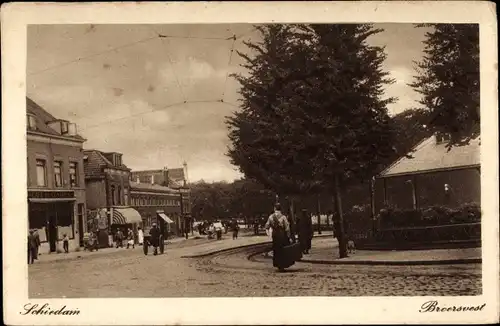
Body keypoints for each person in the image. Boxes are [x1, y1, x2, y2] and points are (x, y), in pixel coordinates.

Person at [265, 204, 294, 272]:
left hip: (275, 235)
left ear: (275, 208)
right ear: (280, 209)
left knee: (276, 250)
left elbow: (267, 226)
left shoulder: (271, 217)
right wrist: (289, 237)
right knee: (282, 250)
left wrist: (269, 234)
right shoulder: (283, 217)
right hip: (282, 235)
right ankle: (282, 265)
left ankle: (277, 264)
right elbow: (287, 228)